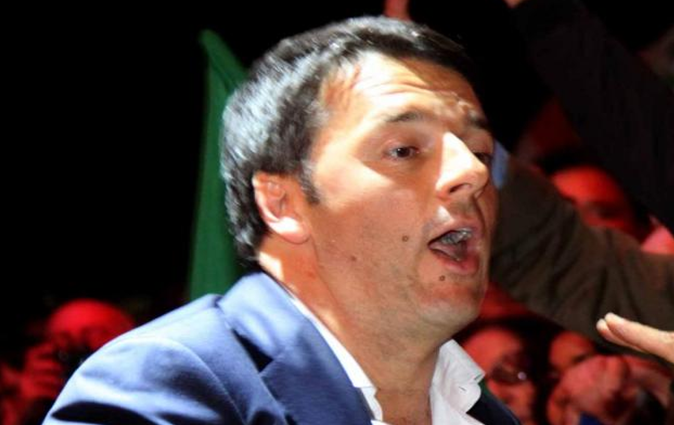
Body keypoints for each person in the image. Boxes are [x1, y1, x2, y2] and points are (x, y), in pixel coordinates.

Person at [45, 17, 518, 424]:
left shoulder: (486, 415)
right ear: (282, 204)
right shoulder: (163, 386)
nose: (473, 173)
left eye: (480, 152)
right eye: (404, 150)